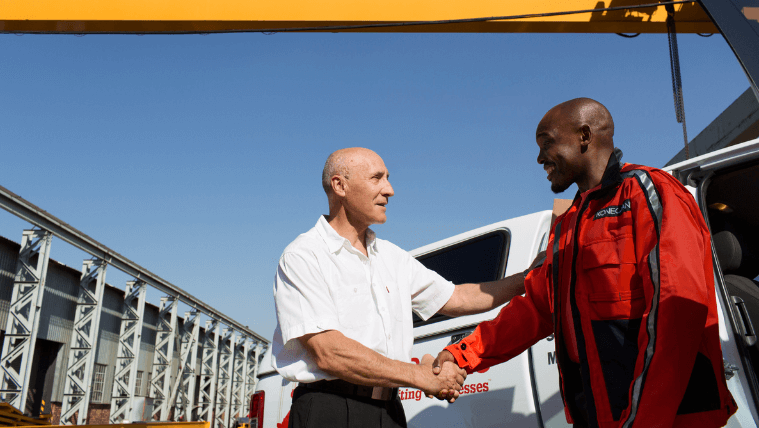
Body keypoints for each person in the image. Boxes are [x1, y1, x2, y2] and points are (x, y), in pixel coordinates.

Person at [432, 98, 738, 428]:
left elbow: (675, 314)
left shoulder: (649, 193)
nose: (539, 158)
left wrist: (643, 421)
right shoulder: (567, 224)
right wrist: (460, 354)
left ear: (584, 136)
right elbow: (537, 309)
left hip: (668, 418)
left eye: (546, 143)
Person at [271, 147, 534, 428]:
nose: (390, 190)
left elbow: (457, 297)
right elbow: (329, 352)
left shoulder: (392, 257)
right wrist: (419, 375)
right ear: (340, 186)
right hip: (331, 410)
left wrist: (527, 278)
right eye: (377, 178)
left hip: (390, 410)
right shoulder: (304, 255)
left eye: (388, 178)